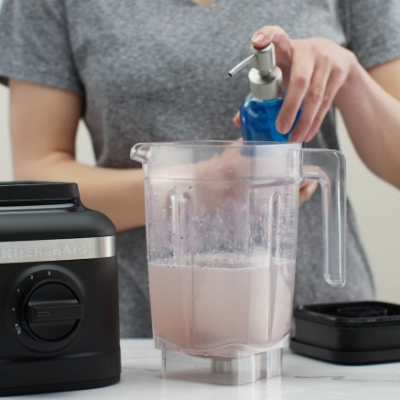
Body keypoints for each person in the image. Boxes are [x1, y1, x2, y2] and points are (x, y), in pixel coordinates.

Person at [1, 0, 400, 338]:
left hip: (322, 334)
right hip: (148, 329)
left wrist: (349, 77)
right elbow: (41, 175)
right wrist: (206, 182)